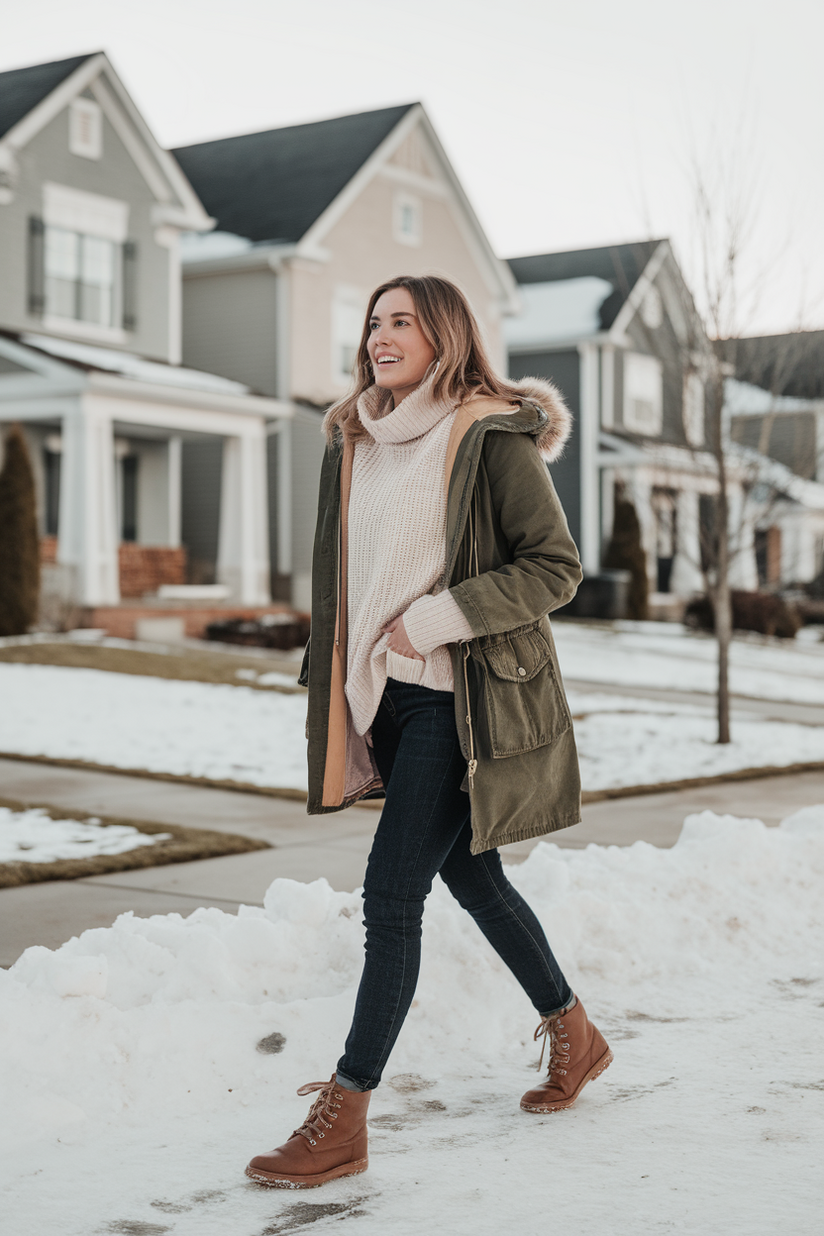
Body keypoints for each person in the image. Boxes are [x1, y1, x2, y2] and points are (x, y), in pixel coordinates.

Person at [246, 275, 612, 1189]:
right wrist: (342, 691)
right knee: (472, 874)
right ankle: (575, 1034)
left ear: (446, 334)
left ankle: (345, 1113)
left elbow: (555, 566)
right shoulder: (356, 439)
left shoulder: (485, 433)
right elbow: (350, 586)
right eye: (374, 322)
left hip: (459, 694)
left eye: (402, 320)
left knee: (390, 897)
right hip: (389, 698)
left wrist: (443, 617)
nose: (381, 335)